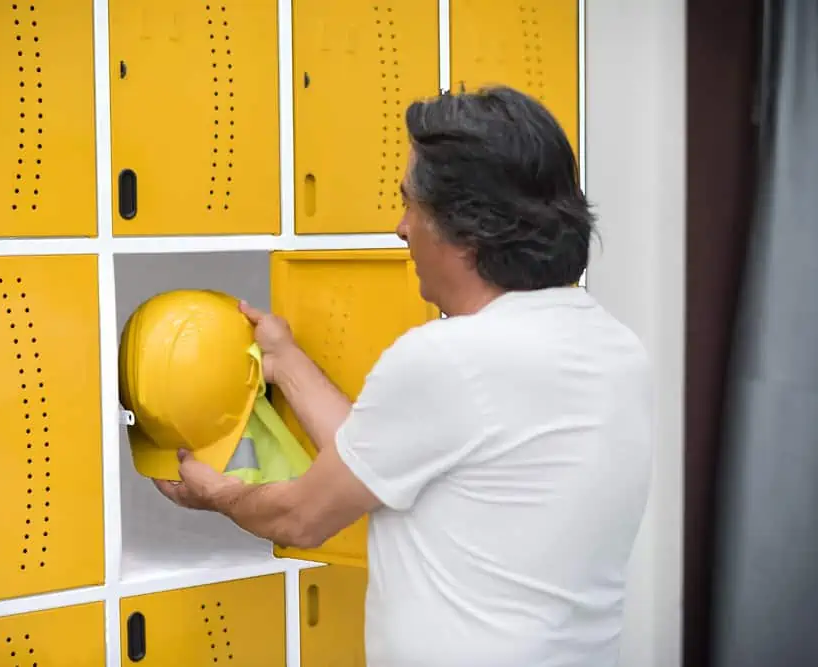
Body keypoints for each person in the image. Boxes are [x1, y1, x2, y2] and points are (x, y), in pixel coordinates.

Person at [154, 85, 653, 667]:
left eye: (411, 204)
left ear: (465, 229)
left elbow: (301, 516)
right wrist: (285, 360)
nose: (400, 227)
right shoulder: (615, 347)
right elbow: (376, 459)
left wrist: (219, 492)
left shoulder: (451, 359)